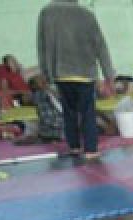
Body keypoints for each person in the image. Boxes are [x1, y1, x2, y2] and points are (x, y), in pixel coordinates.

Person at [36, 0, 114, 159]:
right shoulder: (86, 14)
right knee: (87, 112)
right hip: (85, 71)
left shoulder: (46, 12)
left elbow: (42, 45)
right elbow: (100, 45)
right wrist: (108, 75)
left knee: (68, 111)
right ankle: (91, 149)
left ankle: (74, 146)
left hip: (60, 71)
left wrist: (45, 72)